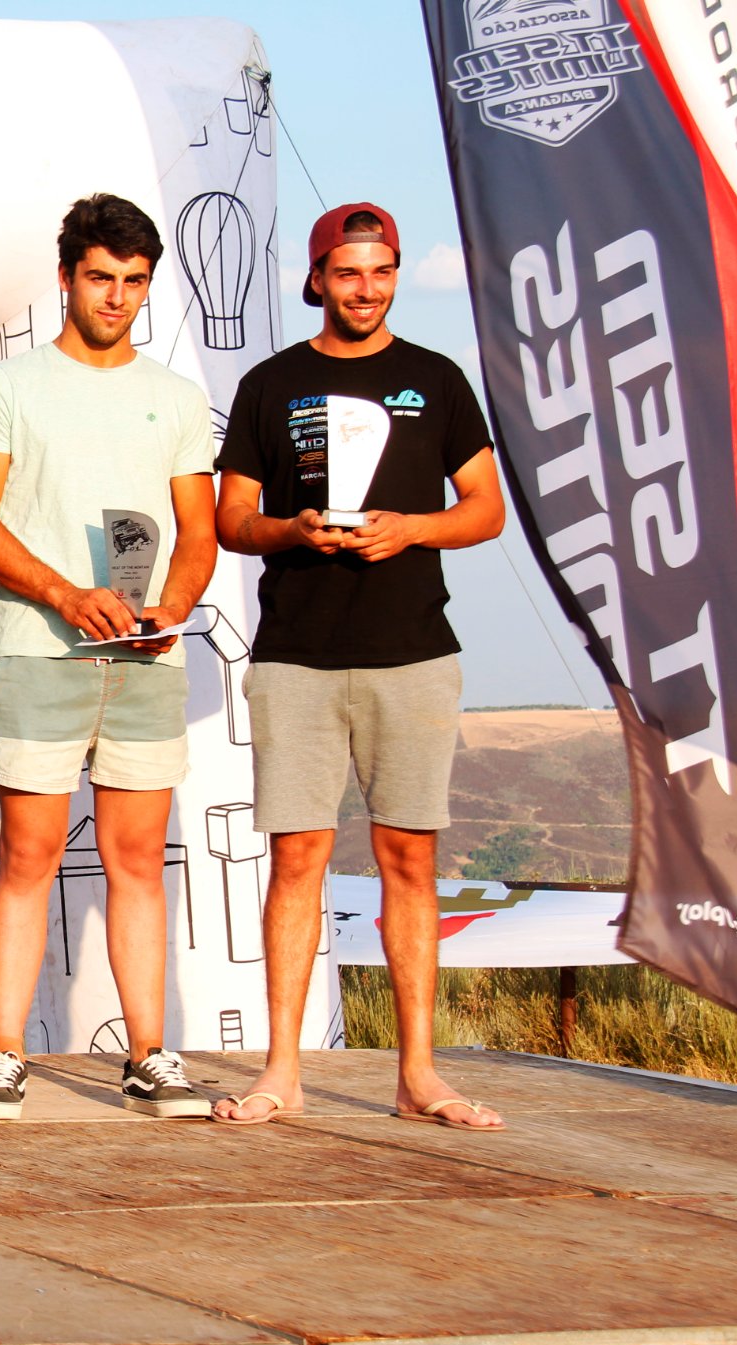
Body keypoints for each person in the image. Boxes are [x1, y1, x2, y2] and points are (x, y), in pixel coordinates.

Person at [212, 202, 507, 1130]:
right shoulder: (271, 383)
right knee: (297, 856)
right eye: (348, 272)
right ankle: (283, 1071)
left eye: (381, 271)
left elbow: (486, 508)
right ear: (318, 279)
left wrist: (411, 528)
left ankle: (419, 1073)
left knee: (408, 858)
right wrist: (293, 530)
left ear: (396, 275)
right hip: (296, 656)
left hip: (413, 652)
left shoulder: (437, 378)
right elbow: (231, 519)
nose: (366, 288)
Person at [0, 194, 218, 1122]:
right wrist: (68, 596)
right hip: (41, 651)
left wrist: (170, 608)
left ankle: (148, 1055)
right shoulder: (7, 387)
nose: (117, 297)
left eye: (134, 281)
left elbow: (199, 531)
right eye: (101, 277)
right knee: (27, 854)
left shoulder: (177, 397)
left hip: (145, 659)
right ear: (67, 277)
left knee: (138, 857)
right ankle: (3, 1055)